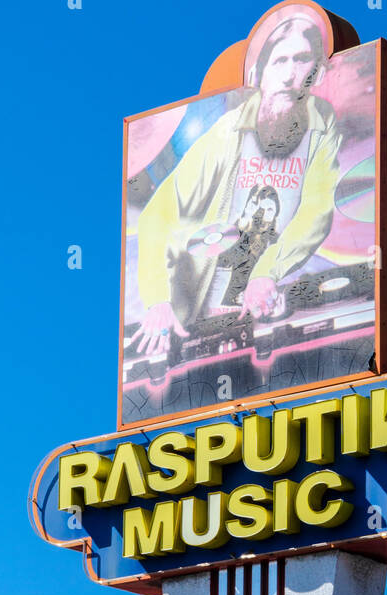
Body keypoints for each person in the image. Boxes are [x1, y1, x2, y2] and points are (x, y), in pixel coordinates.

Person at [130, 13, 341, 357]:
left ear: (316, 71)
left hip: (277, 303)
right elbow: (158, 214)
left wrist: (267, 273)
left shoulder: (322, 123)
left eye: (302, 60)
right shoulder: (228, 130)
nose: (290, 75)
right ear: (259, 73)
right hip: (203, 315)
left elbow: (316, 211)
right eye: (281, 61)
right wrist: (157, 301)